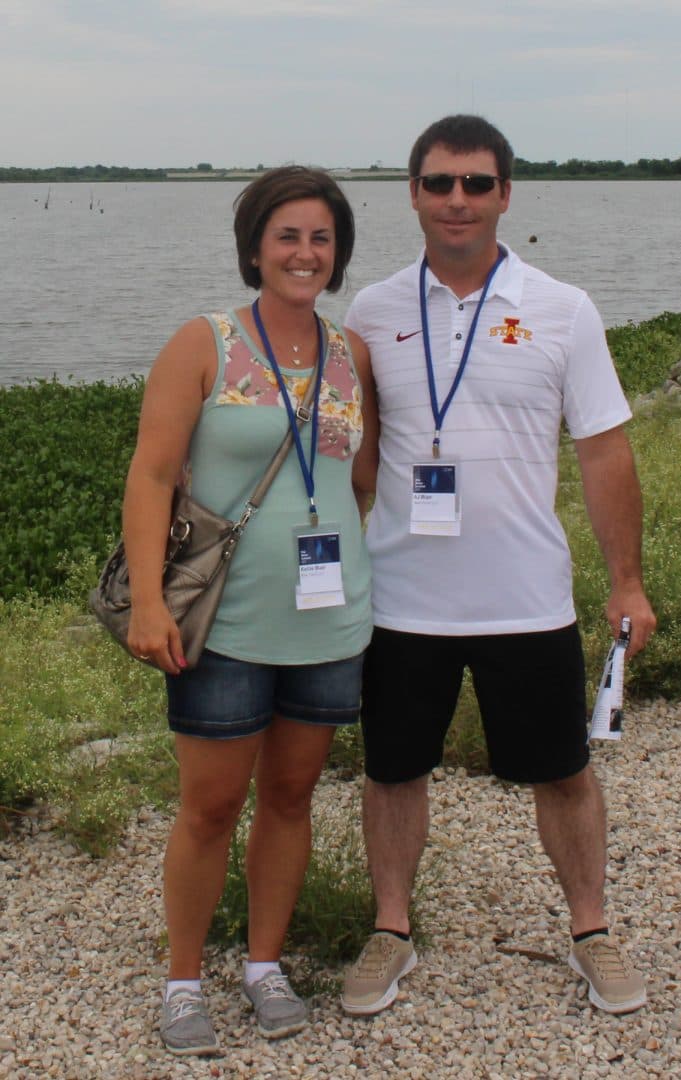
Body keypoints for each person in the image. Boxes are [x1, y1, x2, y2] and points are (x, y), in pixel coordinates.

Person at [342, 115, 657, 1018]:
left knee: (564, 771)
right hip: (402, 600)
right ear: (412, 193)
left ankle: (591, 931)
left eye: (478, 184)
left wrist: (626, 582)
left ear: (506, 195)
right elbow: (359, 460)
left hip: (527, 596)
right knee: (394, 770)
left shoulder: (563, 307)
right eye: (439, 183)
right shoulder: (372, 311)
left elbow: (604, 453)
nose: (458, 201)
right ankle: (391, 931)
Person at [121, 167, 374, 1055]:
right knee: (209, 807)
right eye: (287, 236)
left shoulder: (351, 354)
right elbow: (151, 476)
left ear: (337, 252)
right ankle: (183, 980)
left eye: (320, 238)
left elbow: (359, 480)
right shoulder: (206, 341)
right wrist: (151, 601)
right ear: (255, 247)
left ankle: (264, 964)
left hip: (328, 622)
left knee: (294, 795)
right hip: (224, 626)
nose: (305, 254)